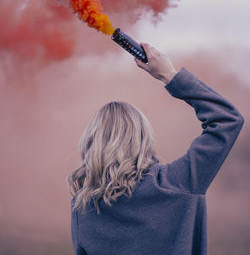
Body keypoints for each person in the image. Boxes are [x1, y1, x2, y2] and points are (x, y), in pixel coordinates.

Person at [68, 44, 244, 255]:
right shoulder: (178, 182)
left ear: (92, 143)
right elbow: (228, 120)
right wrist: (168, 75)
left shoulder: (83, 207)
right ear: (143, 138)